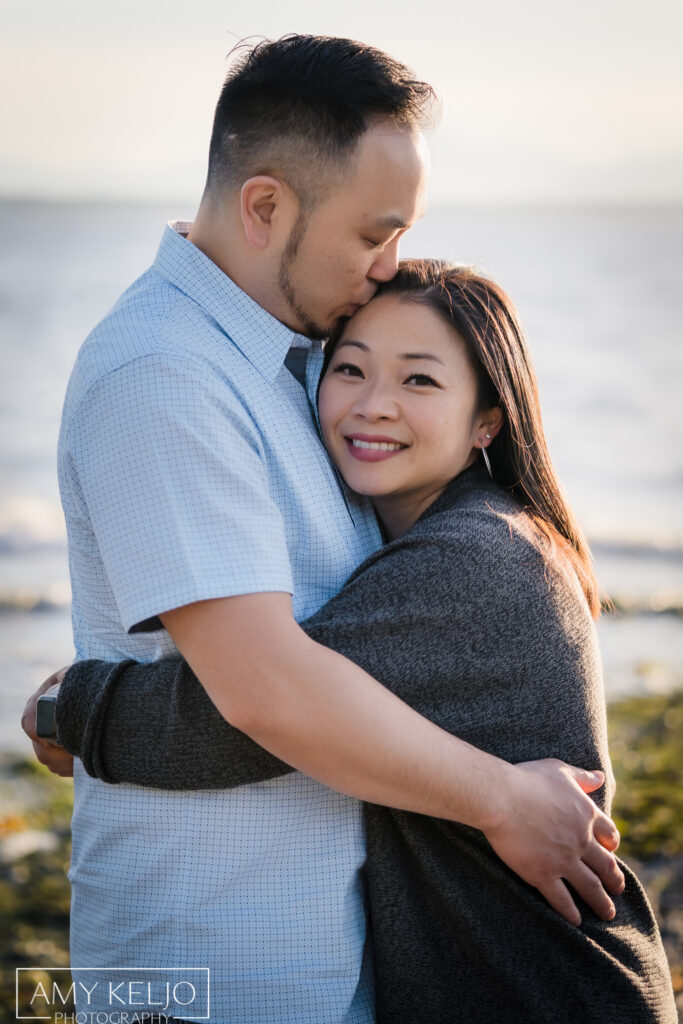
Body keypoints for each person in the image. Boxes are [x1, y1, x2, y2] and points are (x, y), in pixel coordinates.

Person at [22, 35, 624, 1024]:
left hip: (313, 967)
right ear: (265, 207)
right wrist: (506, 802)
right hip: (205, 970)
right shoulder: (164, 374)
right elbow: (266, 687)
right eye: (371, 235)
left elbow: (313, 632)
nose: (386, 267)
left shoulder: (294, 363)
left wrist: (81, 704)